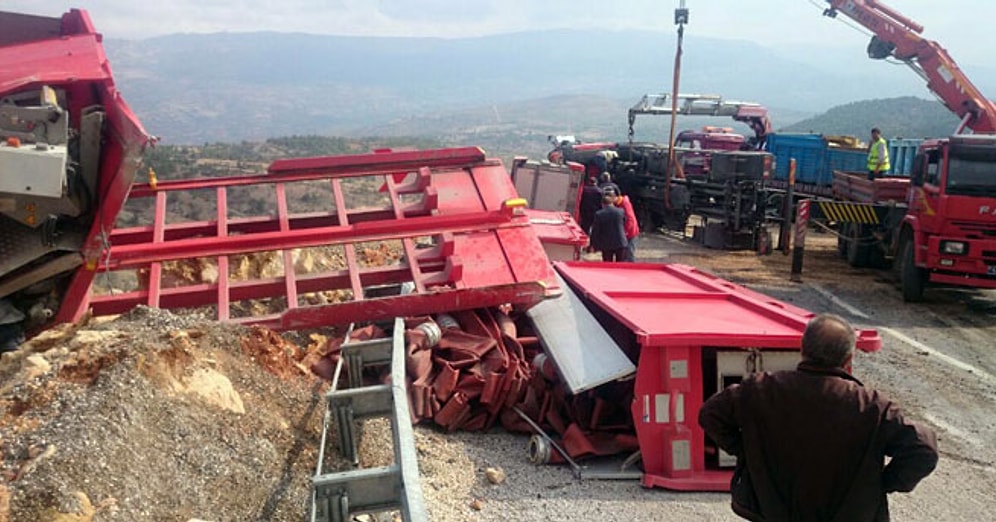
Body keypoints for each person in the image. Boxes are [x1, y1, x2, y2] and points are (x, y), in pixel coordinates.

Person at [699, 314, 938, 522]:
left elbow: (710, 415)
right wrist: (883, 482)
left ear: (803, 350)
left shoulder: (761, 389)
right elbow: (924, 449)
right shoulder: (872, 406)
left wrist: (747, 452)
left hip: (771, 511)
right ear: (848, 360)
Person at [588, 194, 628, 262]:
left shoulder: (599, 214)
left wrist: (592, 244)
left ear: (602, 204)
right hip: (621, 241)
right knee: (621, 265)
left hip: (607, 244)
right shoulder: (621, 211)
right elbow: (624, 222)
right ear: (612, 203)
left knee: (607, 265)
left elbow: (595, 231)